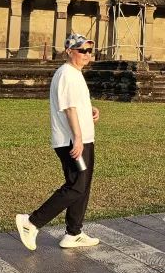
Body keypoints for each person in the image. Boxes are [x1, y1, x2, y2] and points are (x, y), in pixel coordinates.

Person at [16, 33, 102, 250]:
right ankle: (32, 222)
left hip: (81, 139)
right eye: (82, 50)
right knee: (76, 185)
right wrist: (78, 139)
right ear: (69, 51)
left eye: (89, 51)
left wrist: (90, 110)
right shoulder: (66, 74)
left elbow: (75, 105)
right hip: (72, 141)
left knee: (83, 185)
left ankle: (74, 233)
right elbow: (69, 109)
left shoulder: (75, 74)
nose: (87, 55)